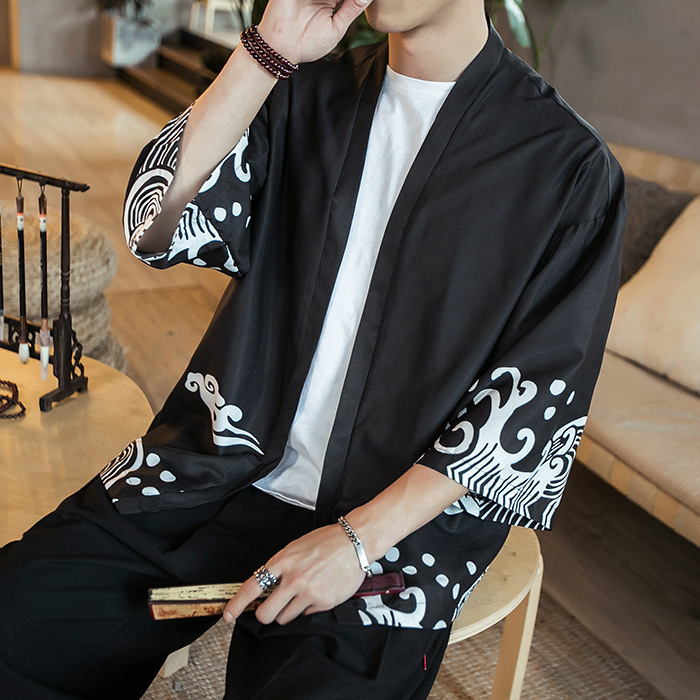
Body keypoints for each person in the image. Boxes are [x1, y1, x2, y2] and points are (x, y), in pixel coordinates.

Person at [0, 0, 627, 698]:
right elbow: (154, 227)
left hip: (394, 531)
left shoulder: (567, 166)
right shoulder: (299, 93)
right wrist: (265, 50)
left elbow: (538, 401)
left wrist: (358, 541)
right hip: (214, 468)